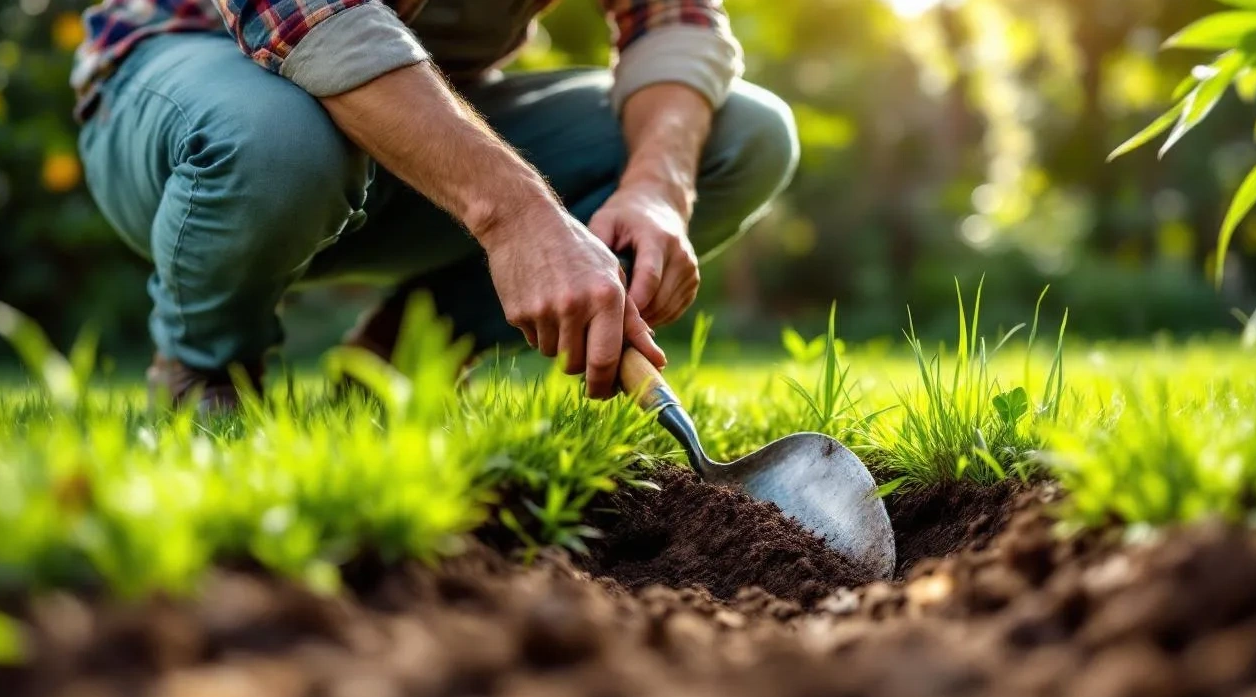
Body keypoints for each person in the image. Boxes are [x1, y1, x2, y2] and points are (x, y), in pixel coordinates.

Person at [71, 0, 798, 411]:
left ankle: (401, 354)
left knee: (745, 135)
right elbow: (309, 16)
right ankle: (206, 370)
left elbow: (674, 19)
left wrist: (656, 188)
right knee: (276, 138)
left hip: (422, 121)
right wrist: (517, 218)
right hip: (194, 103)